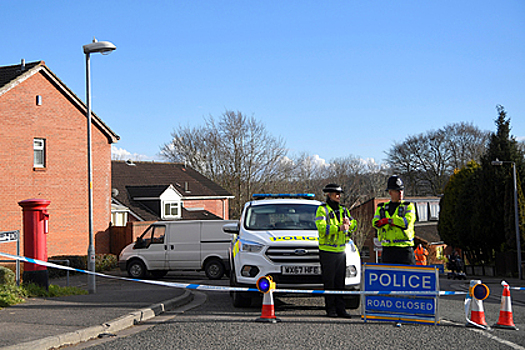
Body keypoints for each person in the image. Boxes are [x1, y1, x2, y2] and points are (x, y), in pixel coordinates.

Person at [315, 183, 357, 318]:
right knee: (329, 282)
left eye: (339, 194)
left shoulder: (344, 210)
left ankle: (341, 309)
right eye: (336, 194)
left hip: (341, 251)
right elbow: (322, 228)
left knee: (340, 282)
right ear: (329, 195)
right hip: (327, 251)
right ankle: (330, 309)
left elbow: (354, 225)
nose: (339, 196)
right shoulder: (322, 210)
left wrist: (349, 225)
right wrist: (339, 228)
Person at [372, 175, 416, 265]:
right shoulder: (381, 208)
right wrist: (390, 222)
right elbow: (375, 223)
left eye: (401, 190)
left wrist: (388, 221)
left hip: (405, 249)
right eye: (397, 191)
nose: (400, 193)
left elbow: (406, 222)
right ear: (390, 192)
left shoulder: (408, 206)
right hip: (388, 249)